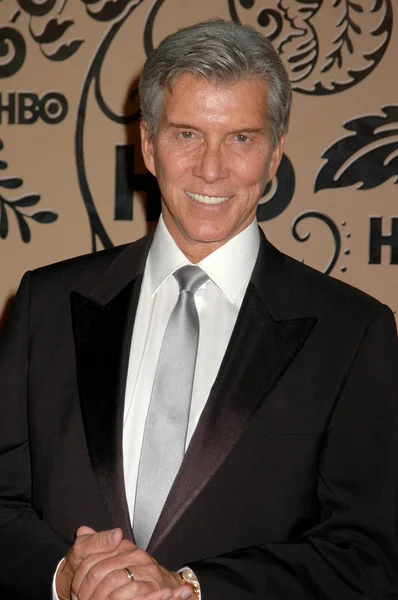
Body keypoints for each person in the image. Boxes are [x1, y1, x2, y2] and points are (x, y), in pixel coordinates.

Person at [0, 18, 397, 600]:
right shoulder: (44, 305)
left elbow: (370, 557)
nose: (212, 169)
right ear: (148, 145)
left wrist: (191, 588)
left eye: (241, 137)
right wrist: (67, 576)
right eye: (187, 134)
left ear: (275, 152)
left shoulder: (353, 332)